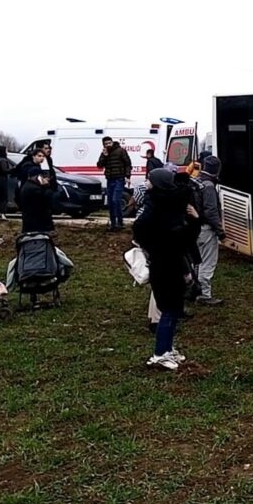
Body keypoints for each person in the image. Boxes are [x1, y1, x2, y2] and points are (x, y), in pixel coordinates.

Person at [134, 168, 198, 371]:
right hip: (169, 264)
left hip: (166, 263)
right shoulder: (174, 205)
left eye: (149, 179)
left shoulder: (155, 205)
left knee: (172, 309)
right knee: (169, 310)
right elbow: (187, 235)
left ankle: (166, 349)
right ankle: (160, 354)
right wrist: (195, 219)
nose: (146, 183)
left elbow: (140, 231)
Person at [193, 156, 225, 306]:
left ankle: (194, 290)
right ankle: (205, 295)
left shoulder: (196, 181)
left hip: (194, 228)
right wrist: (220, 231)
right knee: (208, 262)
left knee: (197, 261)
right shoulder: (209, 186)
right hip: (206, 229)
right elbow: (211, 211)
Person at [98, 136, 133, 231]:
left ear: (112, 142)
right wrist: (104, 156)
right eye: (106, 144)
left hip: (119, 179)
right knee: (110, 202)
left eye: (109, 143)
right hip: (110, 179)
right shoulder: (105, 153)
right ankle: (113, 224)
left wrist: (128, 176)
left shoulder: (121, 151)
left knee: (115, 200)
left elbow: (128, 164)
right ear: (104, 145)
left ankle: (120, 223)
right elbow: (99, 165)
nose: (108, 145)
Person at [18, 155, 55, 234]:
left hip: (30, 223)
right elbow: (46, 200)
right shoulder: (35, 189)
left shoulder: (27, 185)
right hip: (36, 225)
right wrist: (47, 186)